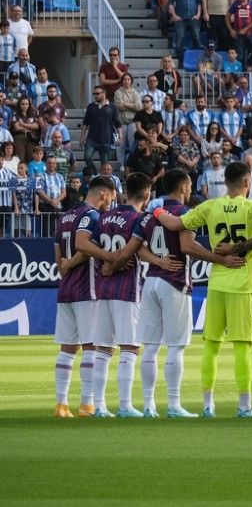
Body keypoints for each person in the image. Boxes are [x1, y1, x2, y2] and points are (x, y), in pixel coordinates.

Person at [158, 161, 252, 416]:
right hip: (242, 284)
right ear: (248, 182)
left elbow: (174, 225)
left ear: (225, 182)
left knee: (211, 346)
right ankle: (244, 405)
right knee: (242, 347)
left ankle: (208, 405)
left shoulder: (209, 206)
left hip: (216, 283)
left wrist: (156, 211)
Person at [136, 168, 215, 417]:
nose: (191, 189)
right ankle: (173, 405)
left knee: (149, 346)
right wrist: (217, 257)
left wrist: (157, 262)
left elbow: (137, 248)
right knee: (176, 346)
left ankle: (148, 405)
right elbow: (187, 245)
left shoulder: (150, 215)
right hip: (176, 281)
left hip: (151, 281)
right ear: (183, 187)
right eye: (189, 185)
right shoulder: (186, 213)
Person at [52, 176, 118, 417]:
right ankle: (87, 404)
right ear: (103, 193)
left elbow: (57, 251)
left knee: (67, 348)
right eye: (111, 196)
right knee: (92, 345)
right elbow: (83, 246)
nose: (111, 202)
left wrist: (64, 266)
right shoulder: (92, 216)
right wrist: (106, 256)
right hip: (86, 287)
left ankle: (61, 405)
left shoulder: (65, 217)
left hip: (65, 288)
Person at [91, 176, 150, 416]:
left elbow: (94, 250)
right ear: (147, 195)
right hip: (127, 289)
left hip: (103, 288)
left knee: (103, 349)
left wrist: (106, 264)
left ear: (126, 191)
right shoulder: (139, 219)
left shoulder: (103, 217)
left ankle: (99, 406)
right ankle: (125, 405)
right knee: (130, 347)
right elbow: (137, 253)